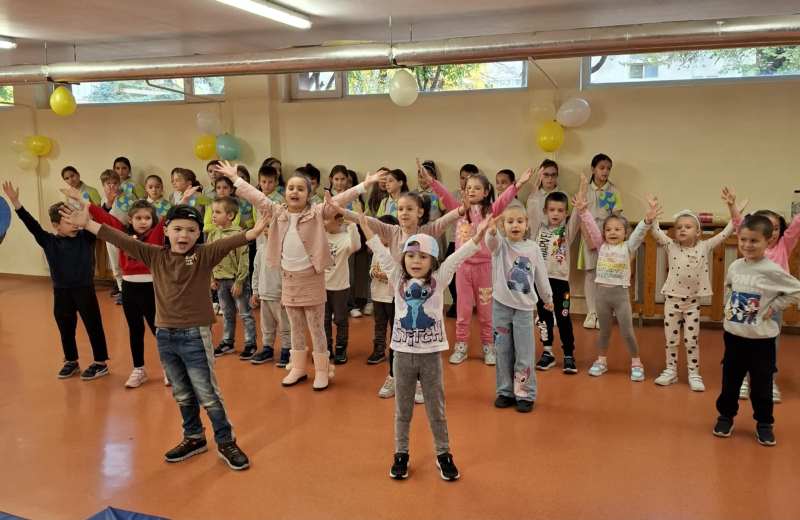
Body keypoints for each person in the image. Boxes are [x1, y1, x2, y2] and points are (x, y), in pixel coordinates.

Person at [60, 200, 263, 471]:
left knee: (208, 393)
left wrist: (255, 231)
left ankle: (225, 440)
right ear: (166, 230)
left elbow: (230, 242)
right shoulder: (155, 255)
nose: (184, 235)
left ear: (199, 233)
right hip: (165, 336)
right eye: (178, 229)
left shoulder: (203, 255)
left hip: (195, 335)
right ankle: (194, 436)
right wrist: (88, 224)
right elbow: (120, 239)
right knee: (182, 392)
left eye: (191, 230)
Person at [218, 161, 385, 390]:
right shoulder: (278, 211)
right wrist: (235, 178)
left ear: (308, 194)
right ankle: (297, 368)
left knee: (316, 327)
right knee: (295, 326)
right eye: (291, 188)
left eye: (300, 189)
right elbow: (256, 197)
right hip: (289, 279)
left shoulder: (317, 212)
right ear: (285, 193)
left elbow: (339, 200)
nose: (294, 192)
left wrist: (364, 185)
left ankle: (322, 370)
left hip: (311, 279)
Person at [359, 212, 494, 481]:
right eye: (411, 256)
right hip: (402, 356)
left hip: (430, 357)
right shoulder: (397, 277)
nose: (416, 261)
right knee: (403, 410)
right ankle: (401, 453)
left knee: (436, 409)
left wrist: (478, 237)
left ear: (432, 261)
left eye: (422, 257)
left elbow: (458, 257)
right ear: (403, 258)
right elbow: (380, 251)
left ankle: (443, 454)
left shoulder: (439, 279)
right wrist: (365, 226)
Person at [337, 187, 463, 397]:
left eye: (409, 209)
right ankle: (393, 377)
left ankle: (419, 382)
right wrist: (341, 210)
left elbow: (445, 221)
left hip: (422, 298)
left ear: (420, 212)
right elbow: (367, 221)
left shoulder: (427, 231)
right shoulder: (392, 231)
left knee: (419, 344)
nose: (404, 213)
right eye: (401, 209)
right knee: (397, 342)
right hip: (398, 296)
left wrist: (461, 210)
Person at [2, 181, 109, 380]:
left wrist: (82, 200)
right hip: (61, 292)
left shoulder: (85, 237)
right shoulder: (49, 241)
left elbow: (93, 218)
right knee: (65, 327)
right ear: (55, 225)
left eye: (74, 219)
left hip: (84, 290)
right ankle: (71, 360)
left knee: (93, 325)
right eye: (68, 221)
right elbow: (32, 225)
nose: (74, 224)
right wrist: (16, 203)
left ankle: (101, 363)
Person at [428, 167, 534, 365]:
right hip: (463, 268)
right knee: (463, 310)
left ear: (486, 192)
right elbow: (444, 195)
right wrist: (432, 182)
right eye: (468, 187)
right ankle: (461, 346)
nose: (471, 191)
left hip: (485, 268)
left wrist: (519, 184)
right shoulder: (459, 209)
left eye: (477, 188)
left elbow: (504, 199)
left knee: (486, 312)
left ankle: (489, 346)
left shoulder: (491, 211)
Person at [712, 214, 800, 447]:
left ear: (768, 241)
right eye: (743, 240)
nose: (747, 245)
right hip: (734, 337)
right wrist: (730, 305)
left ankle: (764, 423)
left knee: (762, 384)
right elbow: (730, 286)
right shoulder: (735, 266)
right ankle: (725, 417)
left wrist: (775, 306)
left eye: (754, 241)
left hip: (761, 341)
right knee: (730, 381)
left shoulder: (772, 270)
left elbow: (796, 291)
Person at [649, 189, 742, 392]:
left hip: (692, 303)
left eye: (688, 227)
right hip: (672, 301)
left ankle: (694, 373)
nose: (682, 229)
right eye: (679, 227)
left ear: (698, 232)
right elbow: (655, 232)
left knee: (692, 340)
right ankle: (671, 371)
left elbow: (727, 231)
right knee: (671, 340)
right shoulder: (671, 246)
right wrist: (653, 215)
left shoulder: (705, 246)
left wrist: (732, 208)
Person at [73, 186, 165, 388]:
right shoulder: (123, 235)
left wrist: (183, 200)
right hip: (129, 289)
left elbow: (169, 219)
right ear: (130, 220)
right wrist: (83, 201)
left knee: (159, 330)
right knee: (135, 330)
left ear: (153, 220)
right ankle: (139, 369)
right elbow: (106, 220)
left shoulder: (156, 235)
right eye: (138, 218)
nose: (143, 222)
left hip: (151, 289)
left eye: (147, 218)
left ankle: (170, 368)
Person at [584, 189, 658, 381]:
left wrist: (647, 220)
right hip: (601, 296)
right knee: (604, 331)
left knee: (627, 331)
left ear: (625, 233)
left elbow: (639, 234)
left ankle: (636, 362)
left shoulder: (628, 247)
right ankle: (601, 361)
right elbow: (592, 229)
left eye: (617, 229)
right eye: (608, 229)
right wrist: (584, 212)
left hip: (621, 296)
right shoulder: (601, 246)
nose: (612, 232)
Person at [486, 206, 553, 413]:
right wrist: (491, 232)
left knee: (524, 353)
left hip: (524, 309)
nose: (515, 225)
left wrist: (547, 297)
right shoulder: (501, 245)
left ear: (526, 224)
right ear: (503, 225)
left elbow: (541, 274)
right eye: (510, 222)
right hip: (501, 307)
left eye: (519, 221)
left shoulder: (533, 248)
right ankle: (505, 391)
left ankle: (524, 393)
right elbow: (491, 243)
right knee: (502, 350)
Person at [530, 175, 597, 374]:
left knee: (564, 318)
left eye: (560, 210)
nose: (556, 214)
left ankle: (568, 354)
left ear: (565, 213)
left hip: (560, 283)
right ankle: (547, 352)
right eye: (552, 210)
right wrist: (534, 190)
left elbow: (577, 213)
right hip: (540, 282)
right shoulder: (538, 227)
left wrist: (583, 187)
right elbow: (533, 208)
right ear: (545, 211)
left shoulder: (566, 231)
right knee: (544, 319)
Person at [734, 205, 800, 402]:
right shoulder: (750, 248)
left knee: (769, 345)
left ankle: (768, 381)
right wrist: (732, 206)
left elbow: (797, 225)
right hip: (748, 300)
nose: (772, 232)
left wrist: (775, 306)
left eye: (776, 228)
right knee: (743, 343)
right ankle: (743, 380)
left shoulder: (783, 245)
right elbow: (739, 225)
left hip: (772, 306)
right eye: (767, 226)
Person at [207, 196, 257, 360]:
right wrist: (211, 278)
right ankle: (228, 342)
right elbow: (209, 258)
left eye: (217, 212)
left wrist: (240, 281)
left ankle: (250, 343)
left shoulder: (239, 235)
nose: (213, 215)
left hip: (236, 281)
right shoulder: (213, 234)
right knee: (227, 313)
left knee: (245, 313)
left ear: (230, 215)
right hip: (220, 281)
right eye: (213, 212)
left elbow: (244, 260)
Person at [579, 153, 622, 330]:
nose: (605, 172)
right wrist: (588, 238)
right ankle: (591, 312)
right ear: (593, 169)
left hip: (607, 238)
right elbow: (580, 216)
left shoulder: (613, 190)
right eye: (602, 168)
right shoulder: (585, 190)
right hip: (588, 236)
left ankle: (603, 313)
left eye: (608, 169)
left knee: (605, 274)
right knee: (590, 273)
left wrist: (612, 238)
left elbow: (616, 216)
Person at [250, 215, 292, 367]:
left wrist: (287, 294)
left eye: (272, 226)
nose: (268, 230)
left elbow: (289, 274)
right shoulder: (261, 249)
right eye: (266, 226)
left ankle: (287, 350)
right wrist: (255, 291)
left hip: (280, 296)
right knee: (266, 326)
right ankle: (267, 348)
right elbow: (256, 271)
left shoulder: (286, 250)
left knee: (285, 326)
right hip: (264, 295)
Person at [324, 213, 361, 364]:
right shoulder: (321, 236)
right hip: (321, 287)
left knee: (340, 319)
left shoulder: (345, 238)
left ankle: (340, 348)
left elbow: (356, 246)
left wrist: (351, 224)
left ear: (339, 221)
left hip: (340, 287)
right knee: (324, 320)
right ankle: (325, 347)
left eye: (327, 218)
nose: (324, 221)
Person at [444, 164, 478, 317]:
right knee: (449, 273)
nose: (464, 181)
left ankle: (467, 304)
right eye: (462, 178)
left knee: (468, 276)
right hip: (454, 240)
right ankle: (457, 302)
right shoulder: (454, 195)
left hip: (471, 243)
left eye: (469, 178)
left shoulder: (480, 195)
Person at [369, 214, 399, 370]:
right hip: (377, 295)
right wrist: (373, 273)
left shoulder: (396, 251)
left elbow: (398, 273)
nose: (381, 237)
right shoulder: (377, 250)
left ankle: (395, 352)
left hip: (391, 297)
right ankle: (379, 350)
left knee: (394, 325)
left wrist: (387, 276)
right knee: (379, 324)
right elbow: (371, 268)